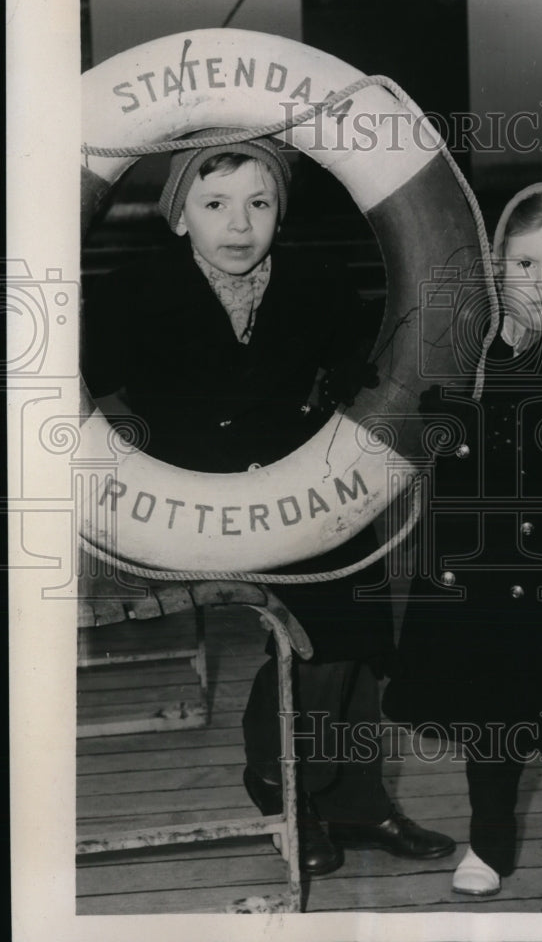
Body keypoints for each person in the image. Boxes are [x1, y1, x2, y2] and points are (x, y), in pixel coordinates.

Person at [81, 129, 455, 878]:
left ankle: (352, 795)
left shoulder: (318, 282)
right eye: (215, 204)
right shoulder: (134, 291)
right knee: (318, 626)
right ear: (180, 216)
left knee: (361, 617)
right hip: (185, 500)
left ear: (280, 215)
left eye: (259, 202)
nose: (239, 224)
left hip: (299, 486)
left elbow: (361, 372)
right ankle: (282, 782)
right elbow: (79, 389)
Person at [382, 183, 542, 897]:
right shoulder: (466, 355)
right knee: (487, 719)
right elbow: (437, 442)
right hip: (481, 575)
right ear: (497, 270)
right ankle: (489, 843)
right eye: (525, 265)